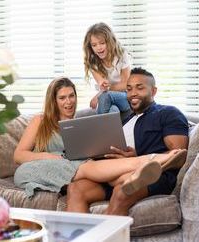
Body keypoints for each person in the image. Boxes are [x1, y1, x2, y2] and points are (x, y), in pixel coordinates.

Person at [13, 76, 187, 198]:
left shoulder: (80, 124)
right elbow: (19, 155)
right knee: (87, 168)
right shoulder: (40, 121)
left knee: (103, 174)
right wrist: (50, 156)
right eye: (62, 98)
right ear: (54, 101)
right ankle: (153, 160)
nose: (69, 102)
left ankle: (136, 176)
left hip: (77, 167)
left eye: (71, 96)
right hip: (37, 169)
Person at [66, 67, 189, 215]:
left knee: (122, 191)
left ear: (154, 91)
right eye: (129, 89)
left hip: (154, 176)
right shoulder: (124, 120)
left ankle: (135, 175)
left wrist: (136, 156)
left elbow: (178, 154)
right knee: (75, 188)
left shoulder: (168, 113)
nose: (133, 94)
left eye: (140, 88)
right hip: (114, 171)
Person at [83, 22, 131, 115]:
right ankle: (106, 129)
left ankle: (98, 128)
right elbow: (103, 86)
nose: (98, 48)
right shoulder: (93, 62)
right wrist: (103, 88)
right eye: (94, 45)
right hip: (107, 96)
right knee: (113, 110)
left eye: (102, 43)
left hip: (125, 96)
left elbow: (126, 84)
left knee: (105, 97)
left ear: (110, 42)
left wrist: (99, 95)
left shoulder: (121, 55)